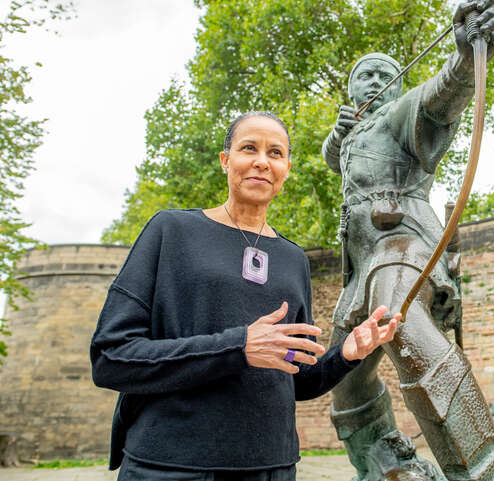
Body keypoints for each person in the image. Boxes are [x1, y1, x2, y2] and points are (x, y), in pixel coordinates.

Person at [90, 111, 401, 481]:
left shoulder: (293, 259)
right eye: (248, 148)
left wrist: (346, 354)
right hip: (171, 466)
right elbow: (111, 357)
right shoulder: (170, 232)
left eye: (275, 153)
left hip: (272, 469)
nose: (261, 161)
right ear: (226, 161)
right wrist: (238, 346)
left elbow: (296, 378)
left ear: (286, 169)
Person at [321, 0, 494, 481]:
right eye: (365, 75)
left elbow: (442, 95)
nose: (377, 82)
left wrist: (470, 51)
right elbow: (337, 159)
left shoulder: (402, 113)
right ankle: (386, 464)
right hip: (361, 265)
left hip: (402, 248)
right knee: (345, 376)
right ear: (350, 90)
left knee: (398, 322)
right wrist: (338, 138)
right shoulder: (352, 135)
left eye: (387, 76)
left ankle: (483, 471)